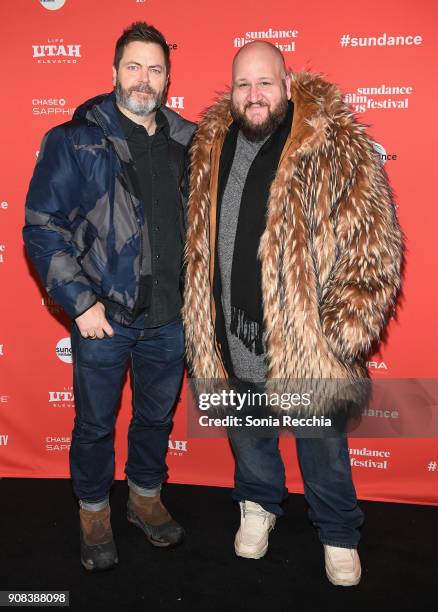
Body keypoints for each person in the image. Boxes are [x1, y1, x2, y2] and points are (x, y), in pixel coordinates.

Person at [183, 41, 403, 586]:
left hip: (307, 343)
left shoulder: (332, 142)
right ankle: (258, 504)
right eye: (242, 85)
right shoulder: (211, 144)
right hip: (230, 331)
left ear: (286, 83)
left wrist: (339, 332)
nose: (253, 95)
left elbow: (374, 242)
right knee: (250, 435)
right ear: (230, 91)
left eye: (263, 83)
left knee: (323, 454)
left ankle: (338, 532)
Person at [23, 22, 196, 571]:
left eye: (155, 69)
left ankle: (144, 498)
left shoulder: (190, 141)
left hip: (171, 319)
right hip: (103, 317)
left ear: (168, 78)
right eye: (133, 67)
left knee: (155, 420)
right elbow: (41, 226)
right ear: (114, 71)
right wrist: (80, 302)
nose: (144, 80)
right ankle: (95, 511)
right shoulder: (75, 139)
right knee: (95, 425)